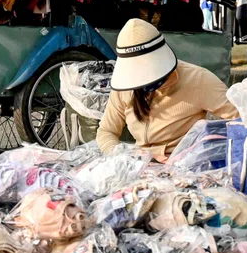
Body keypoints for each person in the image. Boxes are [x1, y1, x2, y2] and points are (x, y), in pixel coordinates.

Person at [96, 18, 239, 162]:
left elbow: (241, 119)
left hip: (184, 165)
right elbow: (106, 131)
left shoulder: (198, 80)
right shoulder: (126, 87)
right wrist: (120, 157)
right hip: (140, 166)